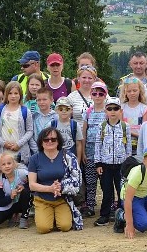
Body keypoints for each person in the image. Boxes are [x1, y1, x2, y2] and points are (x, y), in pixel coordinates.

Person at [27, 127, 83, 233]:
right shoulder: (34, 159)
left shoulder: (68, 156)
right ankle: (49, 217)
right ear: (41, 142)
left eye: (53, 139)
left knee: (65, 226)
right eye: (46, 139)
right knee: (43, 228)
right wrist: (50, 189)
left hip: (62, 199)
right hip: (42, 199)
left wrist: (61, 186)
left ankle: (57, 217)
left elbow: (77, 179)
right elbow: (32, 185)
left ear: (58, 141)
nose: (50, 142)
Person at [94, 97, 131, 226]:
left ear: (120, 111)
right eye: (110, 109)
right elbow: (98, 145)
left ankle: (122, 215)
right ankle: (104, 215)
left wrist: (127, 165)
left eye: (116, 108)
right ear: (106, 111)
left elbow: (129, 147)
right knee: (107, 191)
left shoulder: (126, 127)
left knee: (122, 190)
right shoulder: (102, 127)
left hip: (121, 165)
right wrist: (98, 163)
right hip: (106, 164)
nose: (113, 111)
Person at [81, 82, 109, 217]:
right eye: (94, 93)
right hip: (91, 152)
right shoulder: (88, 111)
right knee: (91, 181)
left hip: (104, 154)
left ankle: (107, 206)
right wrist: (84, 151)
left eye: (101, 93)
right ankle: (90, 206)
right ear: (91, 95)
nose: (97, 96)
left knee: (105, 183)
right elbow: (84, 132)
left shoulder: (108, 112)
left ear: (105, 95)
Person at [0, 81, 34, 167]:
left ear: (20, 95)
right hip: (3, 150)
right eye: (10, 93)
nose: (13, 96)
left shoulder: (25, 111)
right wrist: (3, 143)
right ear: (6, 94)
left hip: (19, 152)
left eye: (16, 93)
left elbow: (30, 131)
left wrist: (19, 144)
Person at [0, 152, 32, 229]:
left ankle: (24, 217)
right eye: (3, 164)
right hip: (8, 204)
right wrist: (10, 196)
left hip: (22, 202)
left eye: (9, 163)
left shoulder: (23, 174)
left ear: (14, 164)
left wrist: (24, 186)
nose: (7, 166)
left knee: (26, 192)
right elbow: (0, 202)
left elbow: (33, 184)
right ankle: (12, 215)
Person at [119, 77, 147, 155]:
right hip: (124, 145)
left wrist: (130, 132)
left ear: (140, 91)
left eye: (135, 90)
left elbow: (144, 129)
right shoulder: (121, 108)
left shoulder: (144, 109)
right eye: (129, 91)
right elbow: (121, 127)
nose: (132, 93)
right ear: (125, 92)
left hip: (139, 145)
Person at [52, 97, 83, 161]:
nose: (64, 111)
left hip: (71, 155)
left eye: (67, 109)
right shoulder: (52, 125)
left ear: (71, 110)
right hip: (56, 155)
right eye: (61, 109)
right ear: (56, 110)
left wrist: (78, 161)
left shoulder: (75, 125)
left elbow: (78, 144)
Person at [67, 65, 97, 131]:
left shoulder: (101, 95)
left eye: (90, 78)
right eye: (84, 77)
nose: (87, 80)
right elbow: (66, 119)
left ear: (94, 79)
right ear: (78, 78)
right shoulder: (71, 97)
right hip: (78, 136)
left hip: (97, 137)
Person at [30, 87, 57, 152]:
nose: (41, 102)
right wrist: (36, 150)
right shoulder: (33, 116)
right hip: (37, 151)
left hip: (53, 150)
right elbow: (30, 135)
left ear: (51, 100)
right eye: (39, 100)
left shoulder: (56, 117)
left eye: (44, 99)